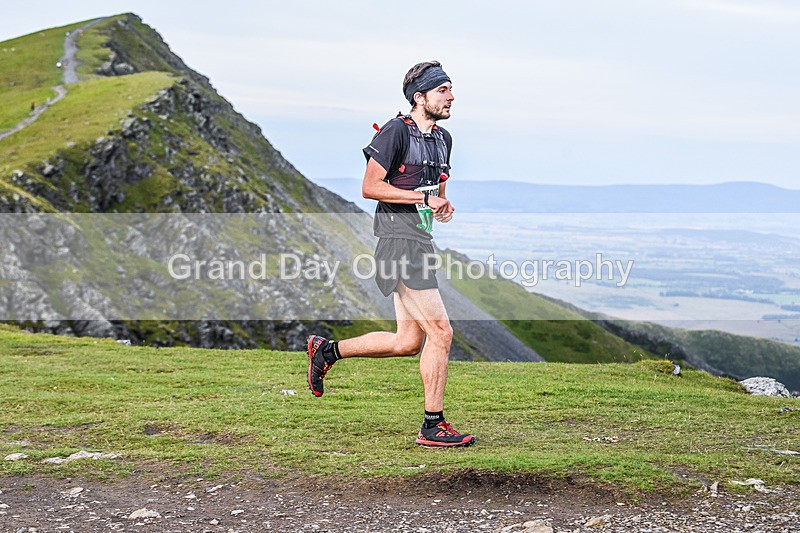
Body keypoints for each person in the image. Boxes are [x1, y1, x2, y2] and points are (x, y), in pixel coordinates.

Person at [307, 61, 475, 447]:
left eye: (451, 89)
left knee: (407, 342)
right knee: (441, 332)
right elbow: (370, 187)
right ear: (420, 97)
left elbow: (436, 188)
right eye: (443, 90)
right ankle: (433, 426)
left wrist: (441, 205)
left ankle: (326, 351)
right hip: (397, 241)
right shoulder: (394, 131)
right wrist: (424, 198)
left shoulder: (443, 139)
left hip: (420, 240)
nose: (451, 97)